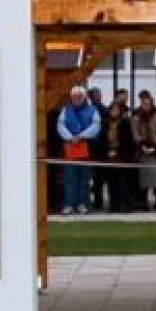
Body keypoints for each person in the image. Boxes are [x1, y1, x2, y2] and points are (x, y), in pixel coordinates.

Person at [56, 85, 101, 214]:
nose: (76, 99)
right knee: (69, 178)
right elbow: (60, 125)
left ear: (84, 97)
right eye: (74, 97)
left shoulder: (92, 110)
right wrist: (70, 138)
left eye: (79, 97)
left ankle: (83, 204)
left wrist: (81, 136)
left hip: (86, 146)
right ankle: (69, 204)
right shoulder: (65, 110)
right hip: (70, 147)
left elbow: (96, 126)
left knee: (84, 178)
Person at [101, 98, 137, 212]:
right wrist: (107, 152)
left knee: (123, 183)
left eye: (117, 109)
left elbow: (128, 141)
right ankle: (114, 205)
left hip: (122, 157)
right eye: (113, 109)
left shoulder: (125, 124)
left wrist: (119, 152)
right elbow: (102, 140)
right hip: (108, 156)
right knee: (111, 182)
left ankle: (126, 204)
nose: (114, 112)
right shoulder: (105, 124)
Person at [132, 90, 156, 211]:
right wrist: (142, 145)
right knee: (143, 179)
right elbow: (135, 133)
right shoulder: (136, 117)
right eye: (143, 103)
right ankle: (143, 203)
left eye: (148, 103)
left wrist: (154, 145)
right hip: (142, 151)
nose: (146, 105)